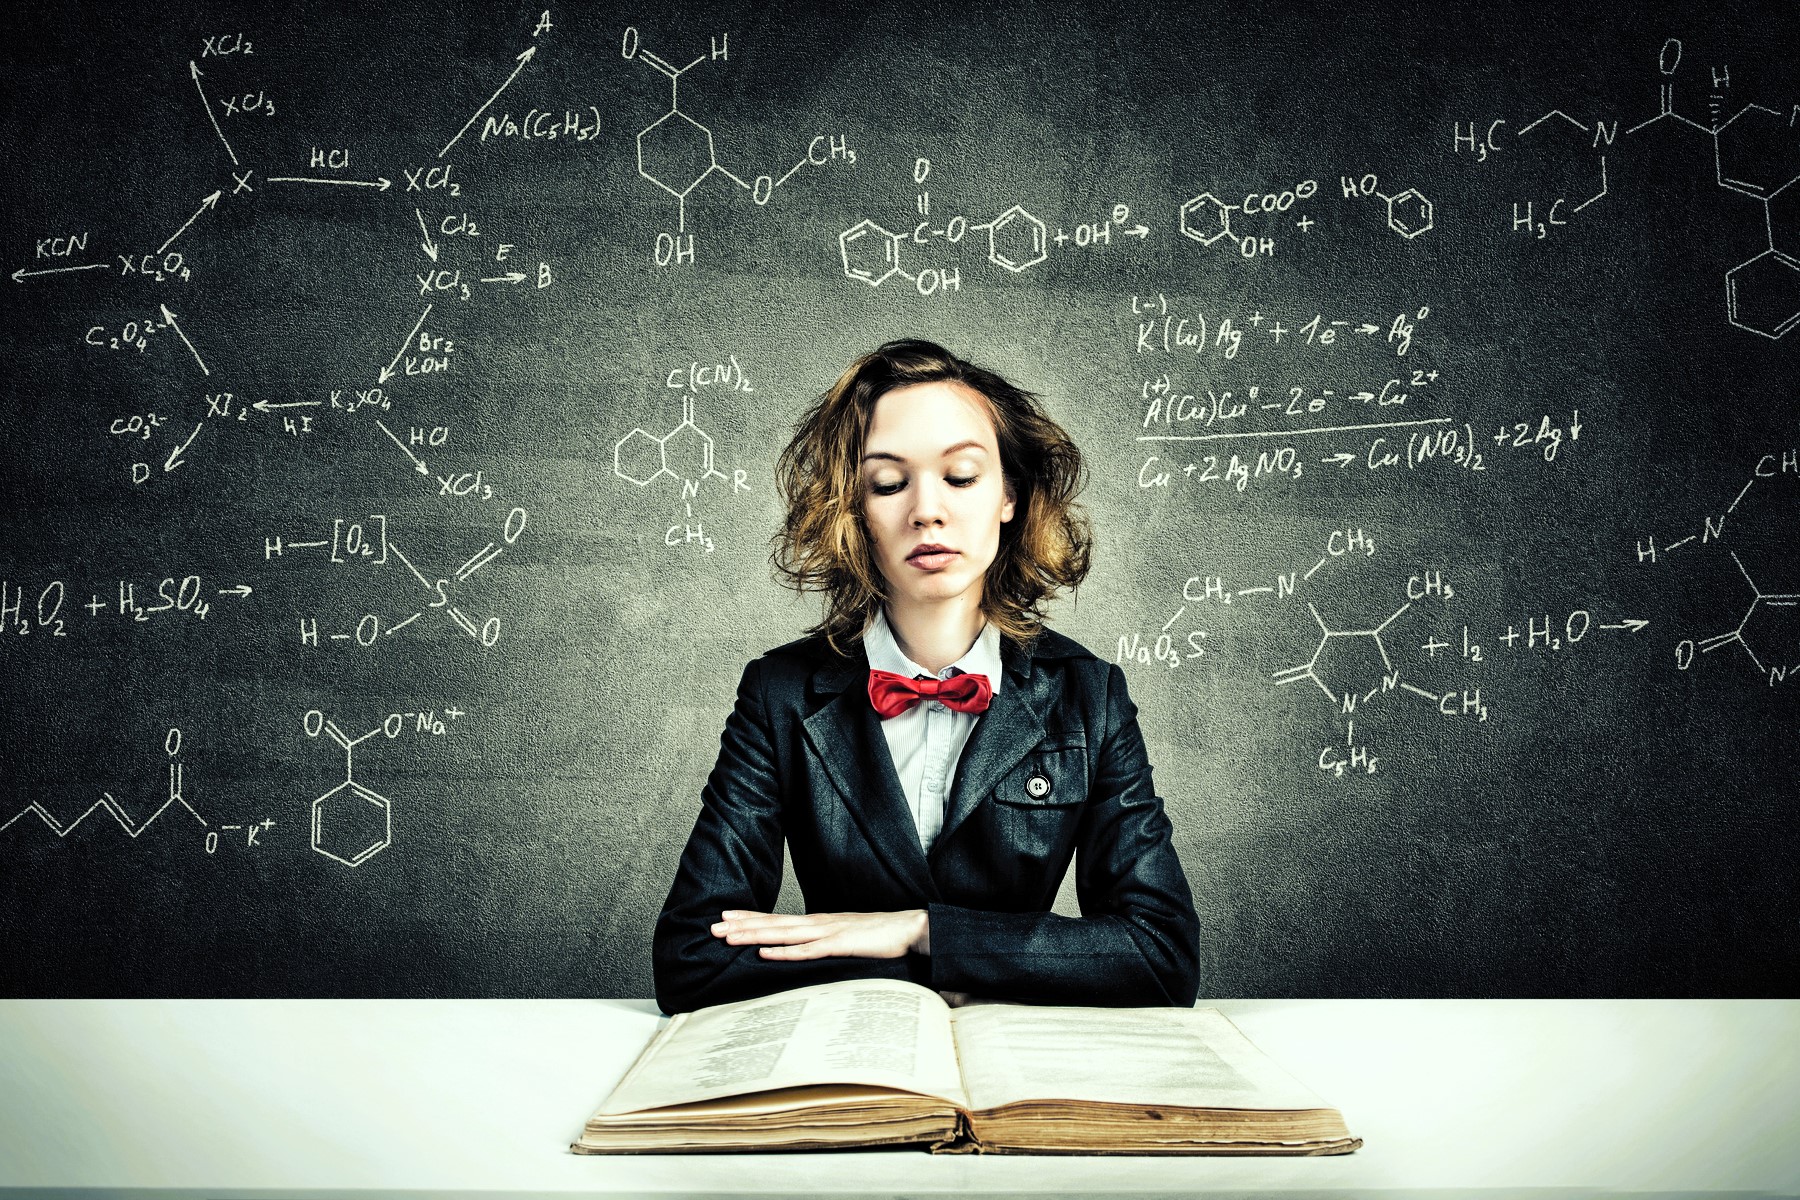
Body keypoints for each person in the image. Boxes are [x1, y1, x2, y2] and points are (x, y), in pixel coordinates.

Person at [652, 339, 1200, 1014]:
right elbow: (691, 958)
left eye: (962, 477)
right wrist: (917, 970)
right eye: (887, 483)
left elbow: (1161, 955)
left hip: (1018, 1073)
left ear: (1009, 496)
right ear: (853, 508)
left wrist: (920, 931)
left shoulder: (1091, 696)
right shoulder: (779, 693)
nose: (926, 510)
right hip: (850, 1067)